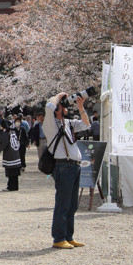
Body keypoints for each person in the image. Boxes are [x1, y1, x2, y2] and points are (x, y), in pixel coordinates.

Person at [43, 91, 91, 249]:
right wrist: (58, 97)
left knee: (72, 205)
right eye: (62, 105)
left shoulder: (68, 123)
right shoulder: (50, 125)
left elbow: (86, 124)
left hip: (74, 165)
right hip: (62, 166)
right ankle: (58, 238)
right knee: (63, 204)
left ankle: (68, 236)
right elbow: (49, 107)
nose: (65, 106)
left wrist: (81, 107)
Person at [0, 118, 22, 191]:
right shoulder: (13, 132)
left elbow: (4, 144)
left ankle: (10, 186)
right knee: (15, 173)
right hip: (16, 154)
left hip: (9, 155)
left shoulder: (5, 133)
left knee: (10, 172)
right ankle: (15, 186)